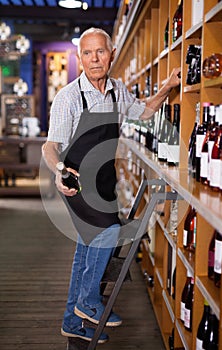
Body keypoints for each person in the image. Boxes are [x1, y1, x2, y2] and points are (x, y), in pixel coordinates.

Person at [42, 27, 181, 344]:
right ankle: (89, 303)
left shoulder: (118, 91)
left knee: (86, 248)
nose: (94, 59)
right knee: (108, 231)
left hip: (104, 182)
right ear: (80, 58)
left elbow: (144, 111)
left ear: (112, 54)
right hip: (76, 182)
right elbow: (49, 147)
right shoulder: (69, 97)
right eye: (87, 53)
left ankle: (72, 322)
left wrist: (168, 86)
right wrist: (59, 170)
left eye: (100, 52)